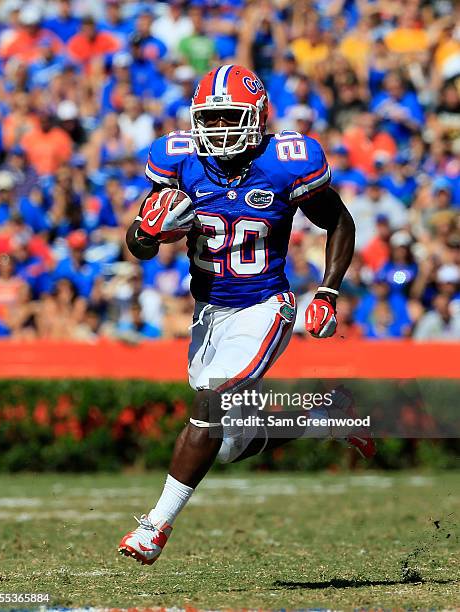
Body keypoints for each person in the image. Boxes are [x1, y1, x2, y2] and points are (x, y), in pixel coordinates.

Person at [118, 64, 375, 565]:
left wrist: (327, 290)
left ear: (256, 117)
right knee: (230, 440)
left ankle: (155, 527)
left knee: (210, 410)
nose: (217, 130)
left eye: (228, 117)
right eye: (209, 119)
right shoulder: (179, 161)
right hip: (208, 311)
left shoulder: (286, 161)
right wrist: (146, 232)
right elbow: (139, 243)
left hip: (264, 306)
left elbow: (338, 220)